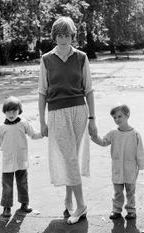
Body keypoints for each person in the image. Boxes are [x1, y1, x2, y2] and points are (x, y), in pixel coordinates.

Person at [38, 16, 97, 224]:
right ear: (54, 36)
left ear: (73, 36)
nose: (63, 39)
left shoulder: (81, 57)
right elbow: (42, 92)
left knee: (71, 158)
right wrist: (42, 122)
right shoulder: (46, 59)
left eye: (67, 35)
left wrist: (92, 119)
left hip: (79, 111)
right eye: (59, 35)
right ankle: (79, 205)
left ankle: (71, 199)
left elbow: (89, 90)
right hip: (56, 113)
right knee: (69, 159)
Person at [91, 105, 144, 220]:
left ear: (127, 115)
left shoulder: (135, 134)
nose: (117, 119)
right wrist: (95, 137)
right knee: (117, 192)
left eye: (119, 116)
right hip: (117, 167)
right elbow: (104, 142)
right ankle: (116, 210)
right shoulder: (113, 133)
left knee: (130, 191)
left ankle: (131, 210)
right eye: (114, 117)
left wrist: (141, 164)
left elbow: (140, 150)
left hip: (130, 168)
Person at [0, 96, 43, 217]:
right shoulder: (1, 128)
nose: (11, 114)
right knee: (7, 186)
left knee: (23, 183)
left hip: (21, 161)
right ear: (4, 112)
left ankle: (24, 203)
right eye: (8, 111)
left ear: (19, 111)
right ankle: (6, 207)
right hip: (7, 162)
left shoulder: (24, 124)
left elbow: (34, 134)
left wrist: (43, 133)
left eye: (14, 111)